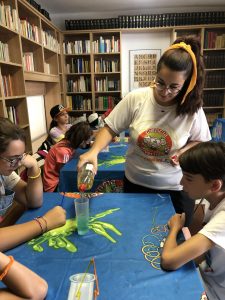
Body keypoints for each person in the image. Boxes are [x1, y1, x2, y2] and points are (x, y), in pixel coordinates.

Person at [78, 35, 211, 226]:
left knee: (174, 242)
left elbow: (200, 141)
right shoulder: (137, 98)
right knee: (134, 232)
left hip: (176, 189)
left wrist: (182, 152)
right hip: (136, 184)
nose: (165, 92)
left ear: (187, 84)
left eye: (174, 87)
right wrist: (93, 151)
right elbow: (110, 127)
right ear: (155, 75)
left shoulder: (192, 109)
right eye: (160, 82)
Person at [161, 141, 225, 300]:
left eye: (188, 178)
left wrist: (175, 228)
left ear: (215, 185)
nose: (181, 183)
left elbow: (169, 261)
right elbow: (198, 250)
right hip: (208, 276)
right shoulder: (207, 198)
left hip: (215, 292)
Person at [0, 117, 66, 252]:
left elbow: (34, 201)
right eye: (12, 159)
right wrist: (44, 222)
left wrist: (34, 167)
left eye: (21, 158)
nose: (18, 164)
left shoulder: (4, 171)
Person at [43, 121, 93, 192]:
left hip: (58, 179)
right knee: (86, 180)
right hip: (54, 186)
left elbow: (84, 146)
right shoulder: (63, 152)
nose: (88, 143)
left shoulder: (67, 142)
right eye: (87, 141)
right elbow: (66, 173)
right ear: (81, 140)